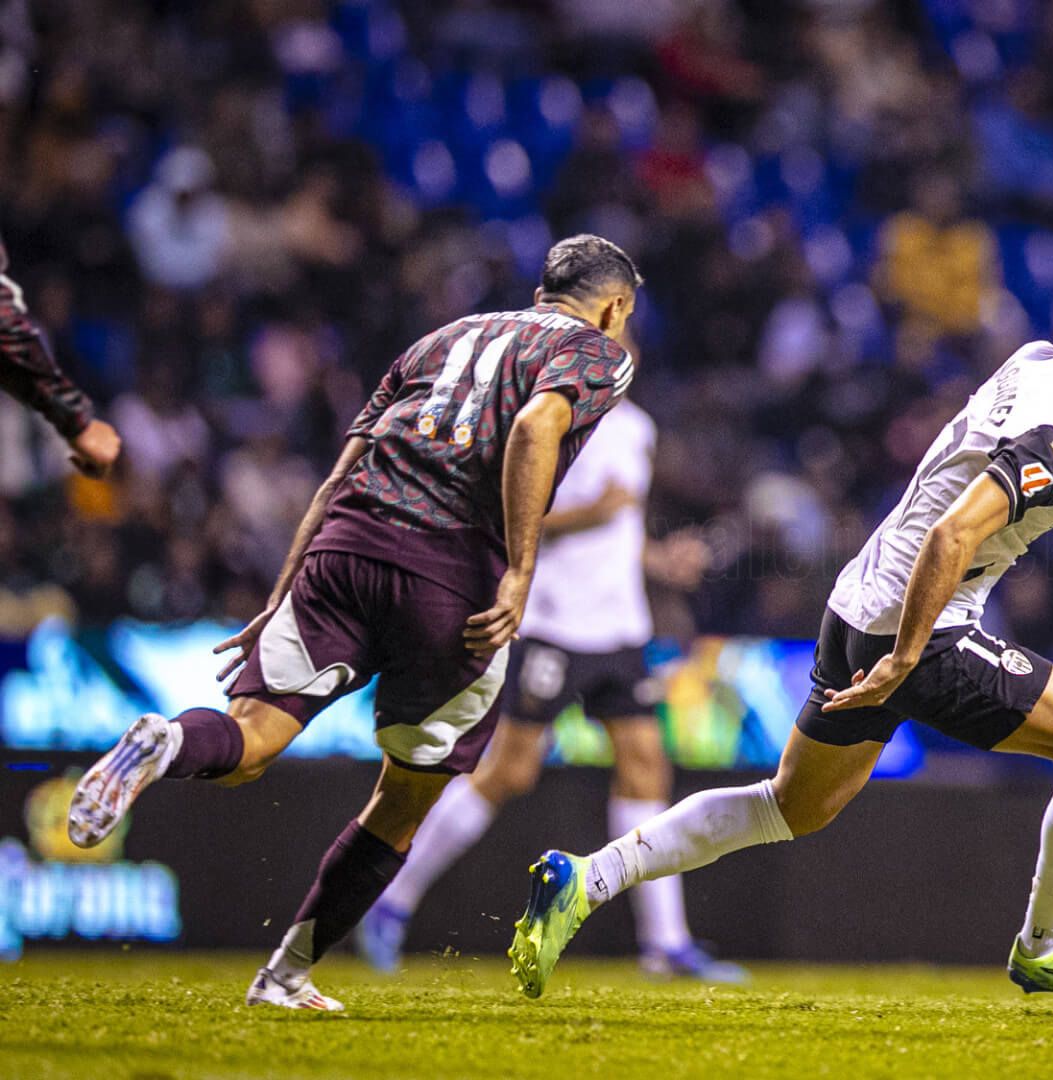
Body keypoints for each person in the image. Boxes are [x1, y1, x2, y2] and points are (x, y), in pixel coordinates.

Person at [509, 266, 1053, 1006]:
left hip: (854, 610)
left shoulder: (1038, 362)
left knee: (788, 806)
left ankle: (586, 878)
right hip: (918, 633)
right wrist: (905, 659)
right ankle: (1049, 945)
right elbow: (953, 534)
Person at [63, 234, 641, 1011]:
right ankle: (286, 973)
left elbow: (343, 470)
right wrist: (521, 571)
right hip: (452, 580)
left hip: (345, 546)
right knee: (404, 799)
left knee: (248, 742)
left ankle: (163, 742)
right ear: (613, 307)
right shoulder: (598, 351)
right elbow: (538, 428)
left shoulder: (442, 338)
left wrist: (280, 593)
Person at [355, 397, 745, 982]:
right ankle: (391, 902)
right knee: (509, 771)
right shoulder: (546, 419)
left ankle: (665, 943)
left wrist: (659, 561)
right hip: (556, 625)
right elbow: (503, 518)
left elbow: (620, 529)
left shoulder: (637, 423)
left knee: (646, 767)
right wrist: (592, 512)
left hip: (621, 627)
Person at [0, 236, 122, 476]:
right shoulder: (21, 331)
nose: (61, 302)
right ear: (38, 296)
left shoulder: (64, 339)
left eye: (64, 295)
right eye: (53, 295)